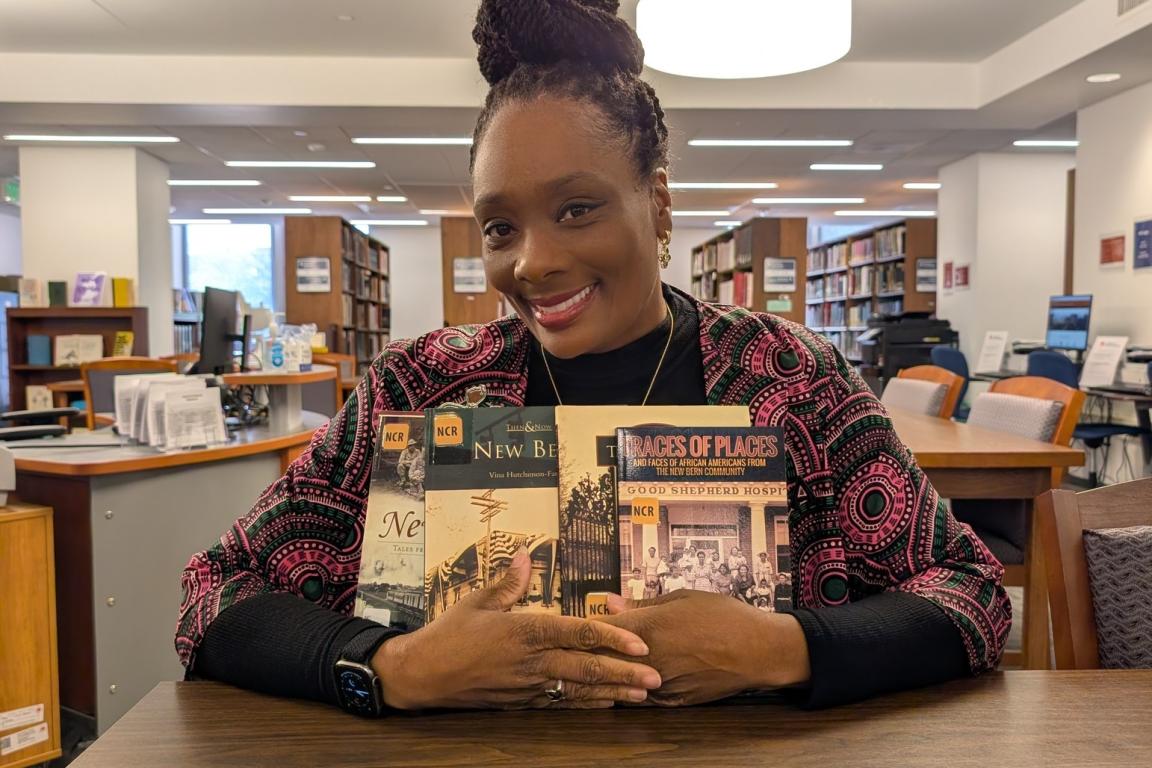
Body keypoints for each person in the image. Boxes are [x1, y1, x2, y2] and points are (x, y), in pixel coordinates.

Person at [177, 0, 1009, 714]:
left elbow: (969, 594)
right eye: (500, 226)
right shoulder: (421, 387)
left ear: (657, 200)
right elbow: (214, 593)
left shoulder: (791, 378)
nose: (532, 262)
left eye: (577, 209)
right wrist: (392, 667)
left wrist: (782, 649)